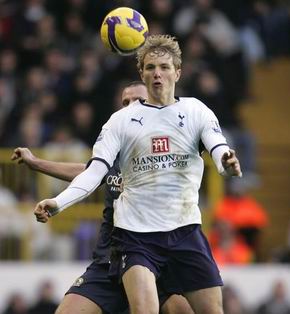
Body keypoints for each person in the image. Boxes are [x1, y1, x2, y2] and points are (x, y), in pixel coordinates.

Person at [32, 35, 242, 314]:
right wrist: (59, 202)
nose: (158, 73)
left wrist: (225, 163)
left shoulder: (196, 111)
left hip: (185, 232)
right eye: (151, 67)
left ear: (177, 72)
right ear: (142, 73)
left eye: (165, 67)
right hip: (136, 237)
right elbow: (94, 172)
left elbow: (219, 149)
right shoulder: (120, 122)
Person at [12, 81, 194, 314]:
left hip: (155, 261)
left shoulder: (168, 150)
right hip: (110, 261)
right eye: (125, 102)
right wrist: (35, 163)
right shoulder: (115, 146)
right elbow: (89, 173)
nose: (130, 106)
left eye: (138, 100)